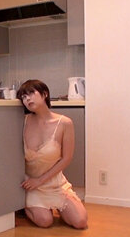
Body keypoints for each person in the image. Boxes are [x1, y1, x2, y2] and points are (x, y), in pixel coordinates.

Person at [16, 79, 88, 229]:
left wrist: (40, 180)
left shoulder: (65, 123)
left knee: (80, 222)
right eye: (23, 97)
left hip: (55, 183)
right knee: (45, 221)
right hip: (31, 185)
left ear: (44, 94)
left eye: (31, 93)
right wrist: (33, 181)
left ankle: (56, 207)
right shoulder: (22, 122)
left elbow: (66, 158)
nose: (27, 99)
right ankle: (26, 207)